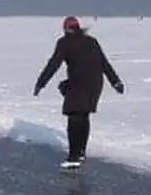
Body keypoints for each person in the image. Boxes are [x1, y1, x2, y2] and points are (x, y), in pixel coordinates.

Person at [33, 16, 124, 168]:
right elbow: (104, 63)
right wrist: (116, 82)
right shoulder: (91, 41)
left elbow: (53, 64)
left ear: (66, 28)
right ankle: (81, 152)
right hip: (94, 84)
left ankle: (73, 156)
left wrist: (40, 83)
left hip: (79, 84)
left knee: (74, 117)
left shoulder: (65, 42)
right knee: (83, 115)